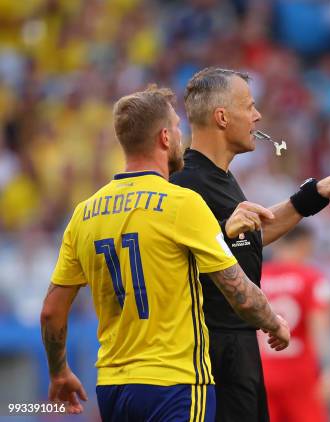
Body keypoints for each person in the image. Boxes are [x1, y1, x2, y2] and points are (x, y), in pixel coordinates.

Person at [40, 86, 289, 420]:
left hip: (113, 386)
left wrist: (59, 371)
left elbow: (51, 312)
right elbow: (239, 293)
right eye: (176, 127)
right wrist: (274, 323)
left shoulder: (85, 213)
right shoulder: (181, 204)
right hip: (176, 384)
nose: (181, 136)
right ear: (164, 137)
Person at [170, 67, 330, 422]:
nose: (257, 115)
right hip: (207, 356)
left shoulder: (221, 179)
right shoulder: (185, 183)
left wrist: (314, 194)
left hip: (240, 350)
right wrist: (224, 230)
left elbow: (248, 234)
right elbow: (177, 254)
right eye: (249, 106)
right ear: (221, 117)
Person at [258, 225, 330, 422]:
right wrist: (329, 368)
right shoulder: (311, 278)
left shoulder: (256, 279)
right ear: (304, 244)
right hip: (300, 376)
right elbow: (320, 327)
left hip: (262, 374)